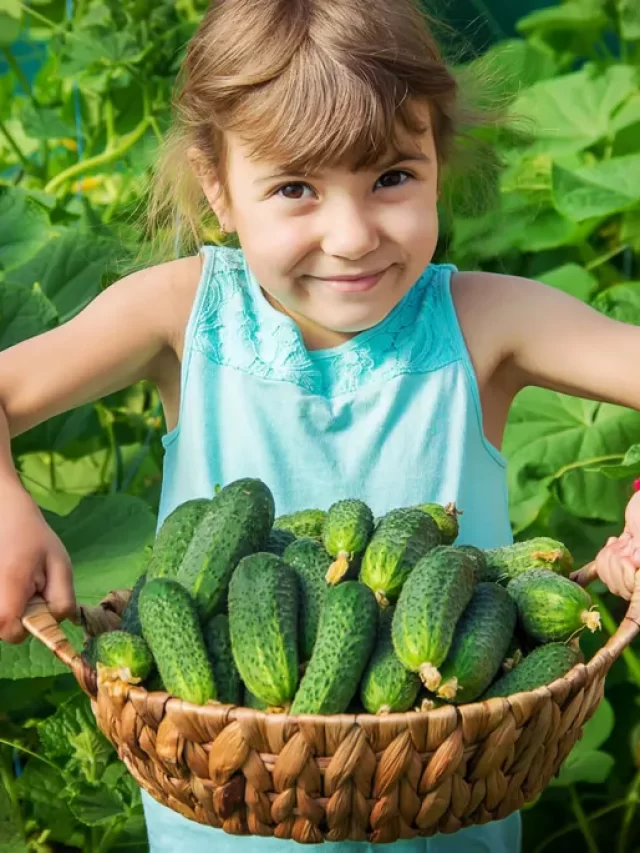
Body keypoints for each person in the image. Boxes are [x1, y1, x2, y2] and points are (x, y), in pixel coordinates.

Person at [1, 0, 639, 850]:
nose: (351, 236)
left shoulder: (488, 324)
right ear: (219, 186)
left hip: (448, 817)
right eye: (296, 188)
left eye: (391, 178)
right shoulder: (181, 316)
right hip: (223, 821)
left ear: (439, 164)